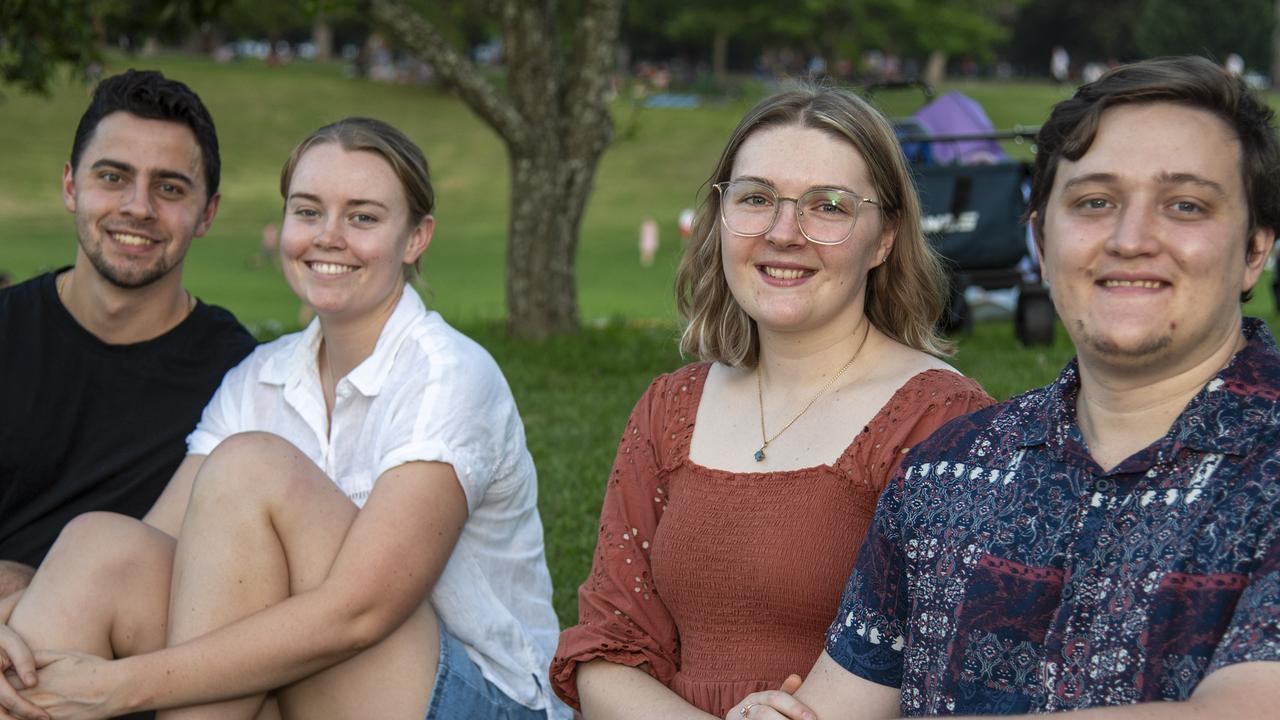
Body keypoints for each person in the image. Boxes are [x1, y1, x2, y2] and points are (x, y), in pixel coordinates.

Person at [730, 55, 1280, 719]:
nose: (1131, 239)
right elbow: (841, 703)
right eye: (1094, 202)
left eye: (1185, 205)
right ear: (1041, 244)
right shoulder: (944, 472)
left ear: (1255, 248)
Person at [0, 117, 567, 720]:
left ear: (416, 238)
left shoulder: (448, 375)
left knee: (251, 465)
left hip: (473, 698)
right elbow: (154, 550)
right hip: (315, 686)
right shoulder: (260, 377)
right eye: (308, 211)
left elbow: (360, 613)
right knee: (98, 545)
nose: (329, 236)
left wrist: (125, 685)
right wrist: (16, 621)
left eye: (364, 217)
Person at [551, 87, 993, 719]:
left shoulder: (944, 423)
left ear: (885, 238)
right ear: (722, 214)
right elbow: (606, 652)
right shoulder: (670, 409)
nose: (785, 234)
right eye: (757, 198)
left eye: (829, 207)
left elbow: (956, 670)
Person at [0, 70, 255, 598]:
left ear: (207, 213)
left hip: (116, 662)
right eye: (113, 177)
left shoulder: (241, 380)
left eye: (169, 187)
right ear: (71, 185)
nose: (138, 207)